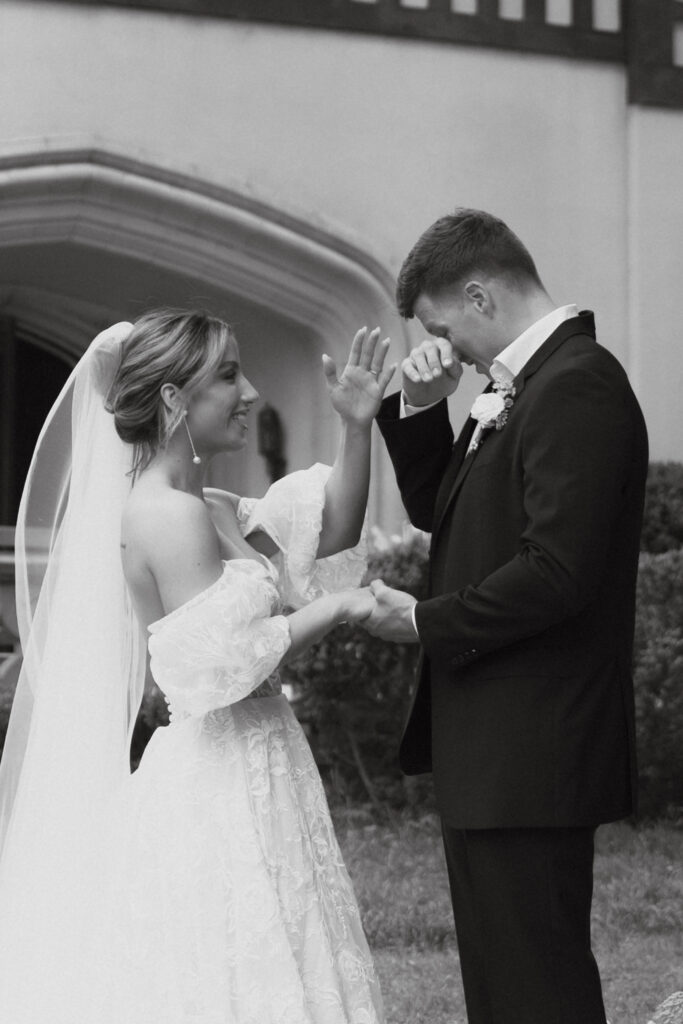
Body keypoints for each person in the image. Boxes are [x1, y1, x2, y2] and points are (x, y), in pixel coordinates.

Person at [0, 308, 395, 1024]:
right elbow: (218, 672)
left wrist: (357, 423)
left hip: (258, 760)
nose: (248, 392)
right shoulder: (163, 515)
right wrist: (338, 610)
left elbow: (330, 526)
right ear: (175, 399)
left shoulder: (205, 504)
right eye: (226, 375)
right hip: (219, 771)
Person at [364, 209, 648, 1024]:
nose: (442, 348)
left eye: (440, 326)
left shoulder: (577, 385)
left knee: (537, 987)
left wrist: (423, 622)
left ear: (479, 296)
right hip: (496, 747)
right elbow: (447, 517)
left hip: (536, 746)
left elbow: (558, 573)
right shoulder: (517, 390)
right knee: (504, 986)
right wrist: (423, 411)